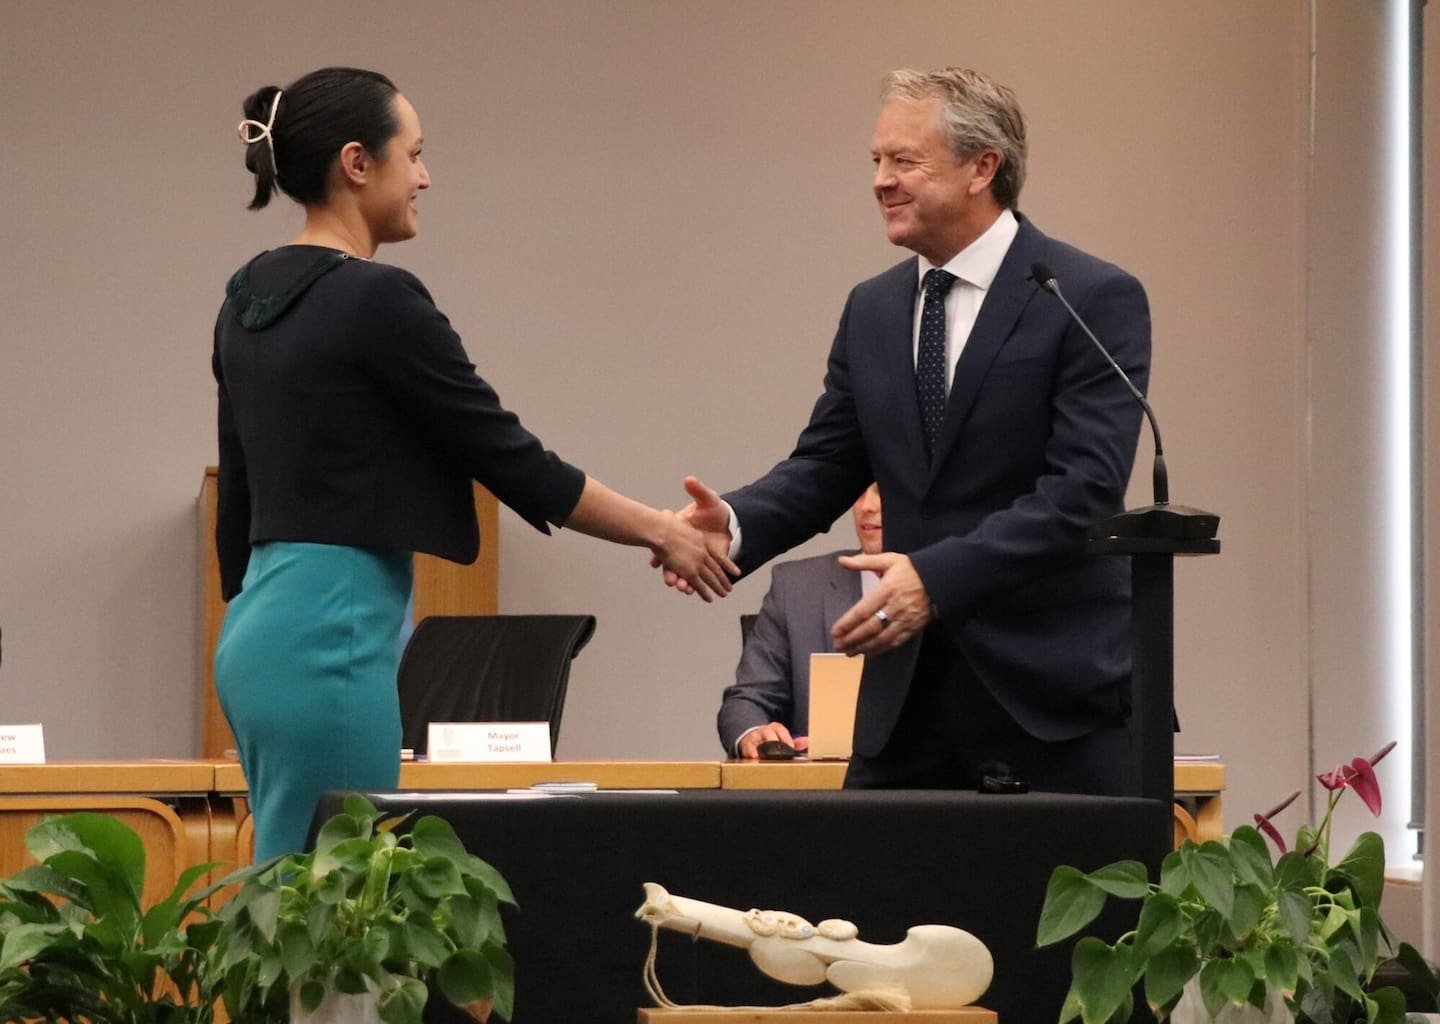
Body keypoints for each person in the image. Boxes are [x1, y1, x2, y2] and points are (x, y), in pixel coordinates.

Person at [214, 67, 736, 861]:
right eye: (414, 154)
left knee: (285, 898)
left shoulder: (244, 296)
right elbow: (508, 454)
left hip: (256, 629)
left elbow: (237, 495)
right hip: (335, 628)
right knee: (342, 909)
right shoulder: (376, 299)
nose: (425, 176)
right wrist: (661, 531)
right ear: (358, 163)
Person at [667, 67, 1150, 794]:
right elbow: (828, 463)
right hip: (906, 703)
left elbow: (1081, 492)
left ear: (982, 167)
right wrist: (731, 525)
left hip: (1051, 701)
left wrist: (934, 578)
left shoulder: (1087, 297)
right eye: (875, 161)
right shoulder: (875, 308)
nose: (881, 182)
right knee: (869, 906)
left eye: (904, 160)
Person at [717, 484, 882, 758]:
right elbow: (748, 700)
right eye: (860, 493)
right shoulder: (797, 588)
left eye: (883, 491)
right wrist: (753, 733)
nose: (866, 507)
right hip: (828, 795)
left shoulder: (959, 585)